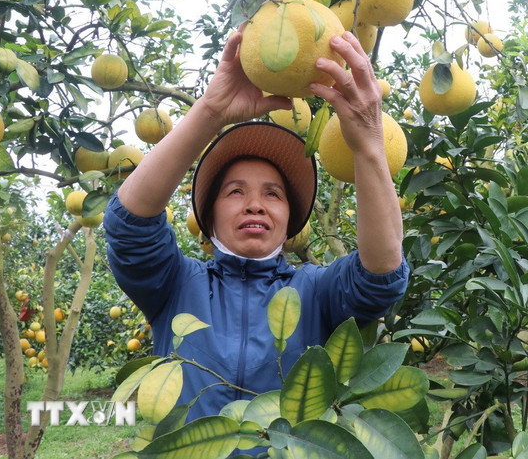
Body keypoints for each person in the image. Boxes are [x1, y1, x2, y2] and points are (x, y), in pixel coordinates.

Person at [102, 29, 409, 443]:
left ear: (290, 219)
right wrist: (209, 110)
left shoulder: (317, 291)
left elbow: (382, 273)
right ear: (208, 220)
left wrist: (370, 144)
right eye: (235, 192)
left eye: (273, 194)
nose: (255, 204)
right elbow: (128, 224)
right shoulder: (175, 285)